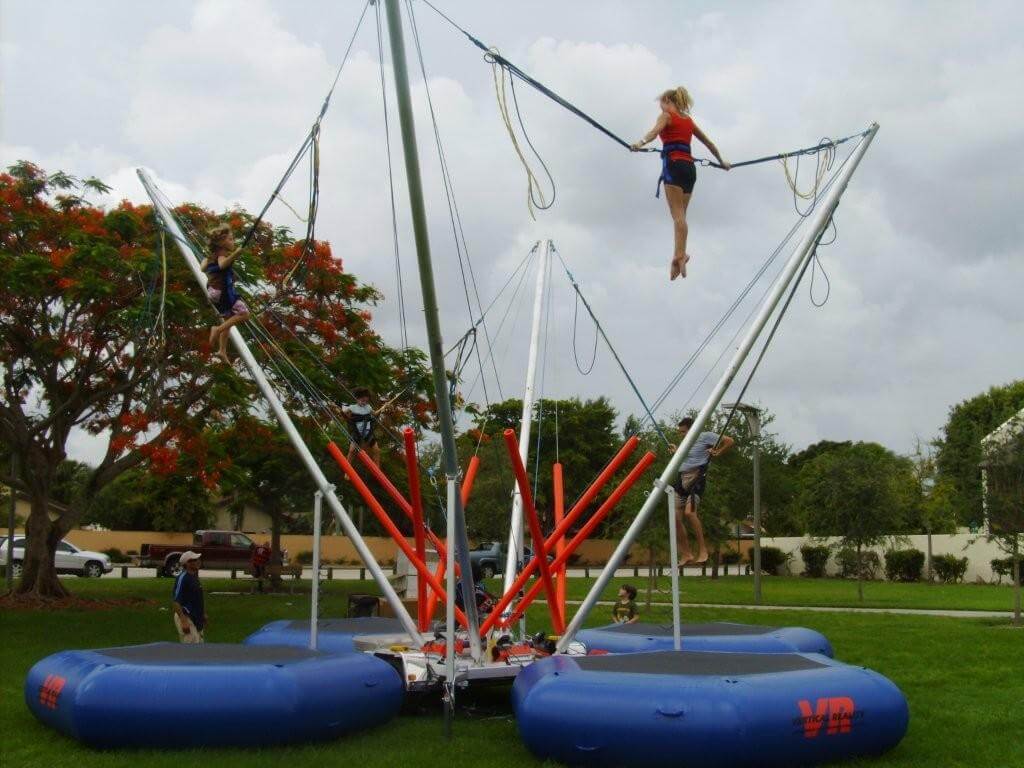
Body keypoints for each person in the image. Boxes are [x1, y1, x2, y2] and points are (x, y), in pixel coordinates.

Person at [630, 87, 730, 281]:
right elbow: (709, 144)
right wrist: (721, 162)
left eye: (661, 104)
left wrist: (639, 143)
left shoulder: (667, 116)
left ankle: (679, 255)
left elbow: (654, 132)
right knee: (681, 217)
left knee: (678, 217)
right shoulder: (688, 121)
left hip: (674, 166)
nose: (660, 108)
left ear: (668, 100)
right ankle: (679, 256)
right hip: (690, 170)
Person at [672, 417, 734, 565]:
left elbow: (729, 440)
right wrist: (676, 451)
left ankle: (703, 550)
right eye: (679, 433)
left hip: (696, 478)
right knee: (674, 519)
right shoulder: (685, 443)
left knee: (690, 513)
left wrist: (718, 451)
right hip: (681, 479)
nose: (681, 435)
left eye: (683, 432)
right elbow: (685, 458)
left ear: (692, 429)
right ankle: (686, 553)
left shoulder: (705, 436)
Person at [200, 223, 250, 364]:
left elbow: (202, 268)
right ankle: (217, 329)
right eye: (230, 239)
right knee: (244, 314)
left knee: (229, 319)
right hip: (222, 292)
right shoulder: (222, 255)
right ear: (221, 243)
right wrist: (236, 254)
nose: (233, 242)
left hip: (213, 292)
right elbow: (222, 265)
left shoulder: (210, 258)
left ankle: (222, 350)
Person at [342, 387, 382, 466]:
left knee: (376, 450)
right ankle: (347, 470)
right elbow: (343, 414)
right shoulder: (352, 407)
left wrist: (383, 408)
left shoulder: (368, 407)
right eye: (362, 401)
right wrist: (338, 410)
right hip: (357, 433)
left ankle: (377, 470)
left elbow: (375, 414)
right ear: (357, 399)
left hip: (367, 433)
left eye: (366, 401)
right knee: (352, 450)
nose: (364, 403)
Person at [172, 551, 206, 643]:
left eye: (198, 559)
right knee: (191, 648)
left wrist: (203, 614)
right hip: (186, 616)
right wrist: (183, 620)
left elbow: (197, 598)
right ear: (187, 563)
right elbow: (176, 601)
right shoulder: (183, 578)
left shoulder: (194, 577)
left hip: (196, 617)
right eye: (195, 560)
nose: (198, 561)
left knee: (199, 646)